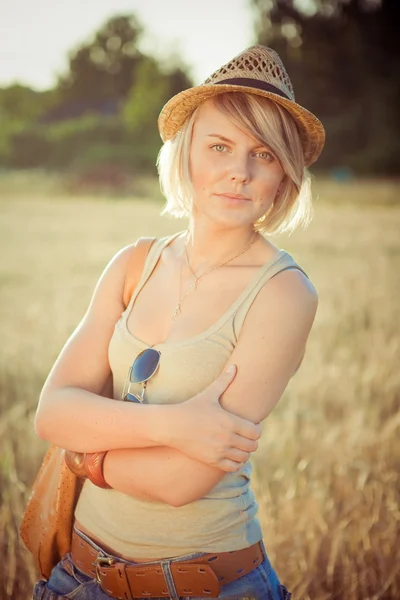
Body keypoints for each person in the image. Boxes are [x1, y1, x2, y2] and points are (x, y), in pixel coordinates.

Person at [32, 45, 325, 600]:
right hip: (77, 574)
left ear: (283, 174)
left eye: (263, 154)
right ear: (187, 153)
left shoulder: (284, 293)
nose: (239, 172)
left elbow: (179, 483)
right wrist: (176, 426)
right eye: (220, 146)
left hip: (208, 584)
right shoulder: (133, 264)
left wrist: (83, 450)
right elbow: (52, 411)